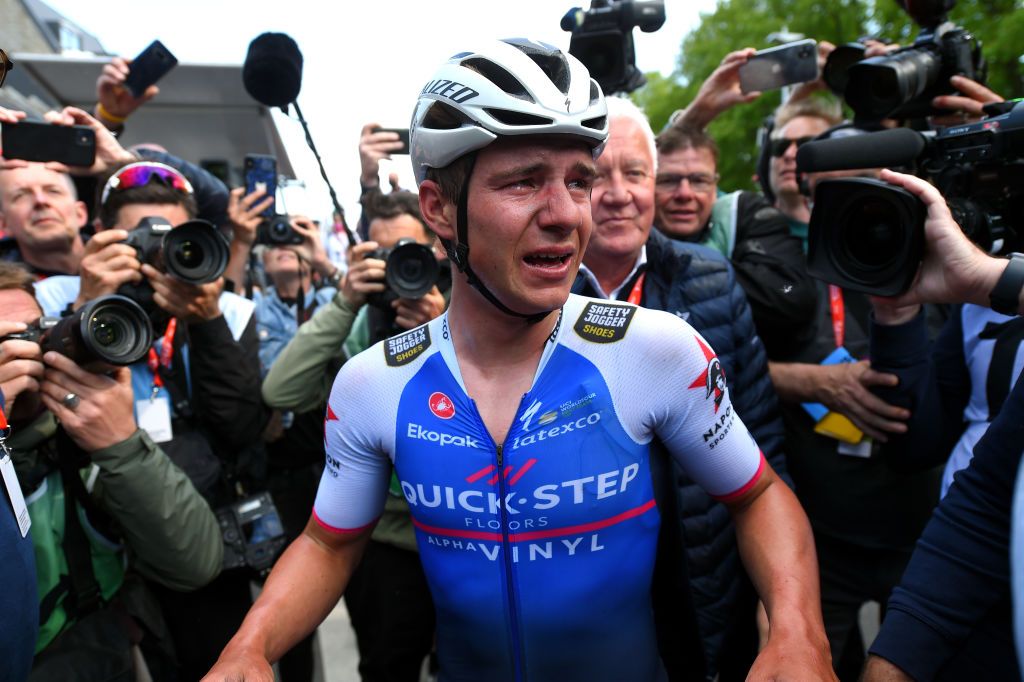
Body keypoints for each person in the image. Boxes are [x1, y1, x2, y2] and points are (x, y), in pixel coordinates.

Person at [204, 39, 832, 682]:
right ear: (439, 208)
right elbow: (327, 542)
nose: (564, 215)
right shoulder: (372, 384)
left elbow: (758, 496)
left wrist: (797, 632)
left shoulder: (658, 351)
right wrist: (249, 647)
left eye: (577, 181)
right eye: (524, 181)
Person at [574, 97, 790, 680]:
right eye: (596, 176)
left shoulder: (714, 280)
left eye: (637, 173)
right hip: (583, 594)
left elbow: (763, 439)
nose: (619, 193)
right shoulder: (533, 302)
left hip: (701, 587)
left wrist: (781, 605)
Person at [33, 160, 266, 680]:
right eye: (140, 239)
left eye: (173, 239)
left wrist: (204, 322)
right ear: (101, 236)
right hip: (103, 536)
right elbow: (49, 415)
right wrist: (91, 305)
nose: (159, 255)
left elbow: (239, 427)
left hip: (205, 529)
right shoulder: (54, 297)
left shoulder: (227, 308)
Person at [0, 261, 221, 678]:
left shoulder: (78, 439)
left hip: (97, 654)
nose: (24, 354)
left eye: (33, 333)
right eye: (4, 344)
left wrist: (123, 446)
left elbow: (196, 562)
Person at [261, 189, 445, 681]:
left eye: (408, 253)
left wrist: (440, 334)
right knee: (387, 667)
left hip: (461, 533)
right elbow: (280, 389)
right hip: (383, 543)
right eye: (380, 255)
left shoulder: (459, 318)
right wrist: (345, 301)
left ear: (436, 249)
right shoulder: (354, 329)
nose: (394, 268)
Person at [855, 170, 1024, 681]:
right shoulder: (980, 301)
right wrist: (897, 315)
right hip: (972, 599)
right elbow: (921, 447)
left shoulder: (995, 281)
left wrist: (996, 281)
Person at [651, 124, 814, 357]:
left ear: (715, 186)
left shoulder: (745, 214)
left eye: (699, 180)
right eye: (668, 180)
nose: (685, 193)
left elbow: (790, 294)